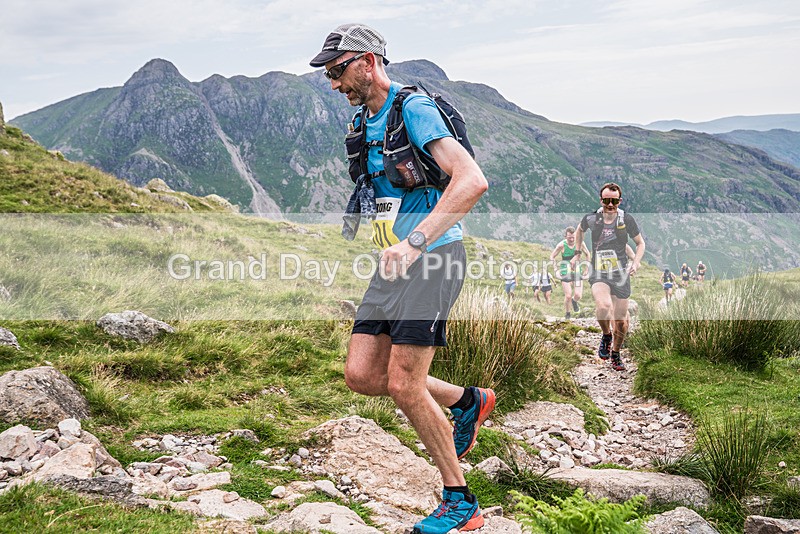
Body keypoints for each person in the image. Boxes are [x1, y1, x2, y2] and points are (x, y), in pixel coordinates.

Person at [310, 24, 494, 534]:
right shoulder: (363, 122)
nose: (333, 83)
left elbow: (472, 180)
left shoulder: (412, 110)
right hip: (392, 266)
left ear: (367, 61)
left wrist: (415, 241)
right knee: (364, 375)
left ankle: (461, 502)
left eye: (337, 70)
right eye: (327, 74)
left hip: (432, 258)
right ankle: (467, 401)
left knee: (403, 382)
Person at [571, 183, 645, 372]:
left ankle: (616, 353)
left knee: (620, 321)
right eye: (606, 201)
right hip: (599, 271)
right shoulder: (592, 218)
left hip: (620, 274)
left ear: (619, 201)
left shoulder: (626, 219)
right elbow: (579, 231)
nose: (610, 205)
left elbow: (640, 244)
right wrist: (577, 252)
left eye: (614, 201)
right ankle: (606, 335)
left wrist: (635, 263)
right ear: (600, 200)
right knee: (603, 306)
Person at [551, 226, 591, 319]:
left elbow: (588, 254)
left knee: (578, 295)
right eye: (569, 237)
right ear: (565, 236)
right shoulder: (561, 245)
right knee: (568, 295)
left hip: (577, 270)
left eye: (573, 237)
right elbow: (552, 256)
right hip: (565, 271)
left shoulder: (580, 243)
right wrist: (555, 269)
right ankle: (568, 313)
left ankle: (574, 301)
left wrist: (586, 269)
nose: (572, 239)